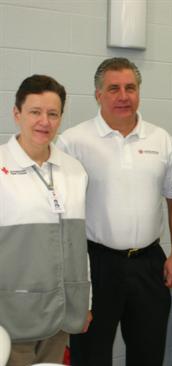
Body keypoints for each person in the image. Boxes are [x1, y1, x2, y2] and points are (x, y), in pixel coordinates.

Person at [57, 57, 172, 366]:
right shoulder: (73, 141)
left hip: (149, 263)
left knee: (148, 353)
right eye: (113, 88)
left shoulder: (161, 139)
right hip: (96, 264)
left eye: (130, 87)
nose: (123, 96)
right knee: (91, 355)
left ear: (139, 91)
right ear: (98, 94)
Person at [0, 75, 91, 365]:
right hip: (11, 317)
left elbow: (79, 245)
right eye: (35, 112)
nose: (44, 121)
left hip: (61, 314)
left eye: (53, 114)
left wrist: (85, 303)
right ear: (17, 114)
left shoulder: (74, 170)